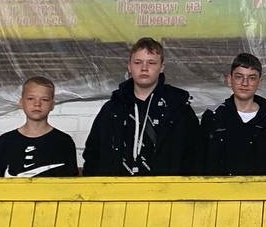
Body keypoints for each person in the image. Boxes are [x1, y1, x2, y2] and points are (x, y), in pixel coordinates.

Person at [83, 37, 199, 176]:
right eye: (138, 62)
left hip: (166, 188)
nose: (144, 68)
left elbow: (195, 155)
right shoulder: (112, 109)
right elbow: (93, 155)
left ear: (162, 67)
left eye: (151, 62)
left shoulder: (179, 109)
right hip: (118, 188)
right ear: (129, 66)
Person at [200, 52, 266, 175]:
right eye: (239, 77)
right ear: (229, 80)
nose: (245, 83)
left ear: (259, 82)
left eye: (252, 78)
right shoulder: (213, 117)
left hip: (260, 187)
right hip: (220, 187)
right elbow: (201, 163)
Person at [0, 76, 78, 178]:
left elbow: (71, 183)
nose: (37, 104)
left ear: (52, 105)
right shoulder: (5, 141)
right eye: (30, 98)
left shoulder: (64, 142)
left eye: (44, 99)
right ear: (21, 103)